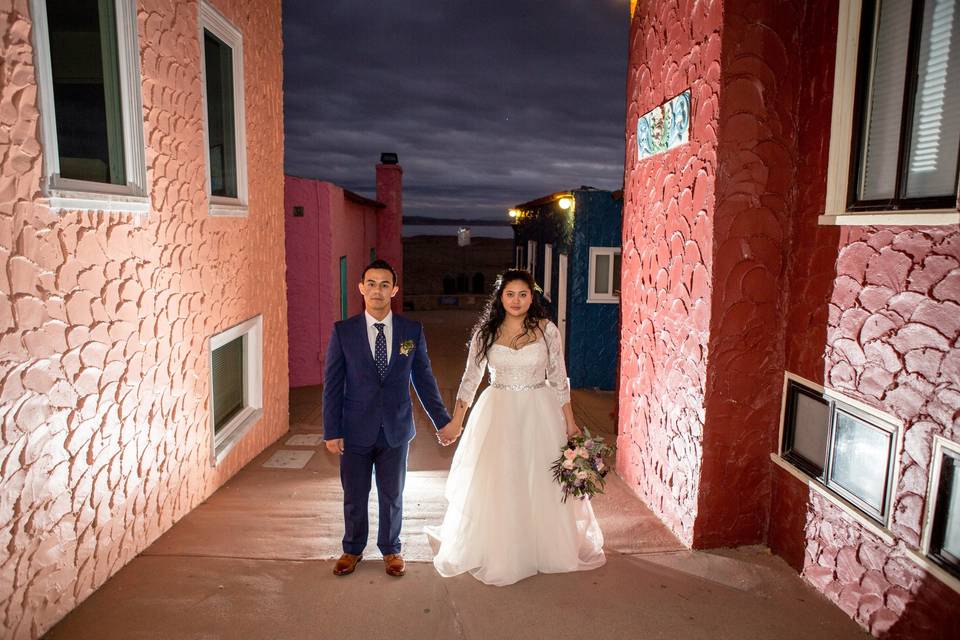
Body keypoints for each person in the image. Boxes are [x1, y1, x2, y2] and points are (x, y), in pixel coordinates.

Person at [425, 269, 606, 586]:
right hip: (498, 411)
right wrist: (457, 421)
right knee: (502, 479)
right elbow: (471, 379)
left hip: (540, 409)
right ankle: (504, 548)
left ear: (532, 296)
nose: (517, 300)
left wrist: (571, 423)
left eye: (523, 294)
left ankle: (543, 547)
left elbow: (558, 377)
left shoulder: (547, 330)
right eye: (510, 294)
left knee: (539, 479)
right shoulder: (486, 333)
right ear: (500, 297)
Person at [323, 259, 453, 578]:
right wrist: (332, 430)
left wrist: (442, 421)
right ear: (360, 288)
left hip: (395, 429)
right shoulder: (344, 332)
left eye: (384, 285)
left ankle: (391, 548)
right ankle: (352, 549)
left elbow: (423, 379)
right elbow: (333, 384)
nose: (377, 290)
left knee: (393, 494)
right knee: (354, 494)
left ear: (394, 290)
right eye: (371, 283)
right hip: (354, 429)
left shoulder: (411, 331)